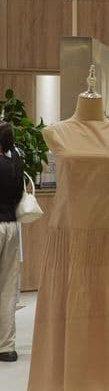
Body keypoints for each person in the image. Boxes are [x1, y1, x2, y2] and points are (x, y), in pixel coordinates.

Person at [0, 123, 24, 362]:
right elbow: (18, 195)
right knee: (8, 288)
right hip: (11, 227)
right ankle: (6, 346)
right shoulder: (16, 162)